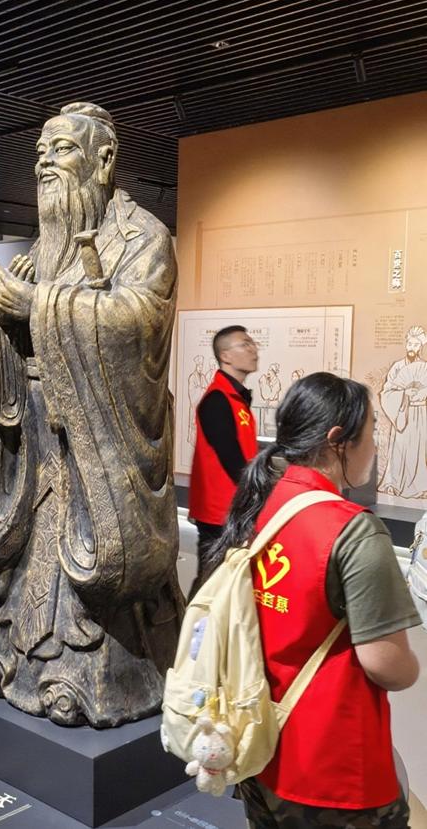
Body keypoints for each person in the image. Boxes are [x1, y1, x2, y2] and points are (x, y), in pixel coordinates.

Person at [0, 101, 182, 727]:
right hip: (43, 441)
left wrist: (42, 304)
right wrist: (2, 311)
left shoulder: (143, 236)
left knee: (93, 560)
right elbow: (22, 317)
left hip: (101, 447)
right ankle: (18, 658)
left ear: (103, 160)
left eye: (60, 149)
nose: (45, 163)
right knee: (37, 546)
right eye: (40, 152)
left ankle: (98, 679)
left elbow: (141, 317)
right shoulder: (47, 247)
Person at [207, 372, 420, 828]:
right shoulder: (354, 530)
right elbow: (387, 666)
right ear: (338, 440)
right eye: (371, 434)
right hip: (333, 773)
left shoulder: (258, 504)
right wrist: (411, 666)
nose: (375, 447)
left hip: (260, 746)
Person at [187, 325, 259, 597]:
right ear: (225, 356)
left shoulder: (235, 399)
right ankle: (190, 625)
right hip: (219, 515)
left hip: (232, 511)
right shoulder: (217, 400)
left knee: (225, 587)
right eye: (245, 344)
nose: (253, 349)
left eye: (252, 343)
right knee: (210, 587)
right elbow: (232, 461)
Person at [378, 325, 427, 499]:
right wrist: (404, 393)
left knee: (418, 449)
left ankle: (419, 486)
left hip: (419, 413)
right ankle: (394, 483)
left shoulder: (424, 367)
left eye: (416, 345)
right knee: (399, 448)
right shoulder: (397, 367)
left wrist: (421, 393)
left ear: (421, 346)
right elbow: (387, 391)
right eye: (409, 344)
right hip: (401, 412)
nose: (411, 348)